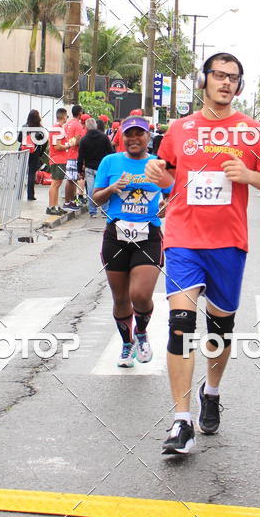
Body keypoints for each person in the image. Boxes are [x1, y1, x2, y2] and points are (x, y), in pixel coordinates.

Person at [145, 52, 260, 455]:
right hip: (183, 237)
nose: (225, 82)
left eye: (233, 77)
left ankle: (213, 390)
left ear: (239, 86)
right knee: (180, 323)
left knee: (220, 330)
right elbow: (173, 176)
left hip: (228, 241)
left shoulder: (253, 132)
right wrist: (159, 175)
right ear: (204, 80)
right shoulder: (180, 128)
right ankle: (180, 421)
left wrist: (249, 175)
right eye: (219, 75)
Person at [92, 116, 172, 367]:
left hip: (148, 236)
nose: (133, 138)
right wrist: (112, 188)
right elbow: (95, 200)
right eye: (129, 134)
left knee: (140, 294)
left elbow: (173, 196)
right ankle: (127, 344)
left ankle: (142, 333)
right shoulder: (110, 162)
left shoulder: (158, 165)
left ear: (148, 137)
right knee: (120, 299)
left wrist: (165, 206)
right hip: (115, 236)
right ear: (122, 137)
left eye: (139, 134)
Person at [77, 117, 114, 217]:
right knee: (103, 188)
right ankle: (104, 210)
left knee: (91, 190)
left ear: (87, 128)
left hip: (89, 168)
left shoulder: (84, 139)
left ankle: (92, 211)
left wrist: (79, 170)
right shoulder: (104, 137)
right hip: (102, 167)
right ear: (96, 126)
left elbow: (80, 157)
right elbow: (111, 152)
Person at [18, 109, 47, 201]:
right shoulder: (41, 129)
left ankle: (18, 195)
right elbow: (45, 142)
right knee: (31, 173)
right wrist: (40, 153)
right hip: (34, 153)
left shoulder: (24, 126)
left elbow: (19, 139)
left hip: (23, 152)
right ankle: (30, 195)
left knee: (22, 173)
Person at [62, 104, 86, 211]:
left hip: (69, 154)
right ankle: (68, 202)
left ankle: (70, 202)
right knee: (71, 180)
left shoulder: (68, 124)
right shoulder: (77, 125)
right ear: (80, 113)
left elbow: (69, 140)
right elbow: (77, 141)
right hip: (74, 155)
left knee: (72, 179)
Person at [47, 107, 69, 216]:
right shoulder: (57, 129)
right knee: (55, 183)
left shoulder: (58, 128)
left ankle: (55, 206)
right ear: (64, 117)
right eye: (67, 117)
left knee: (58, 183)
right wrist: (68, 145)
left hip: (59, 159)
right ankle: (51, 206)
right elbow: (57, 146)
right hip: (57, 159)